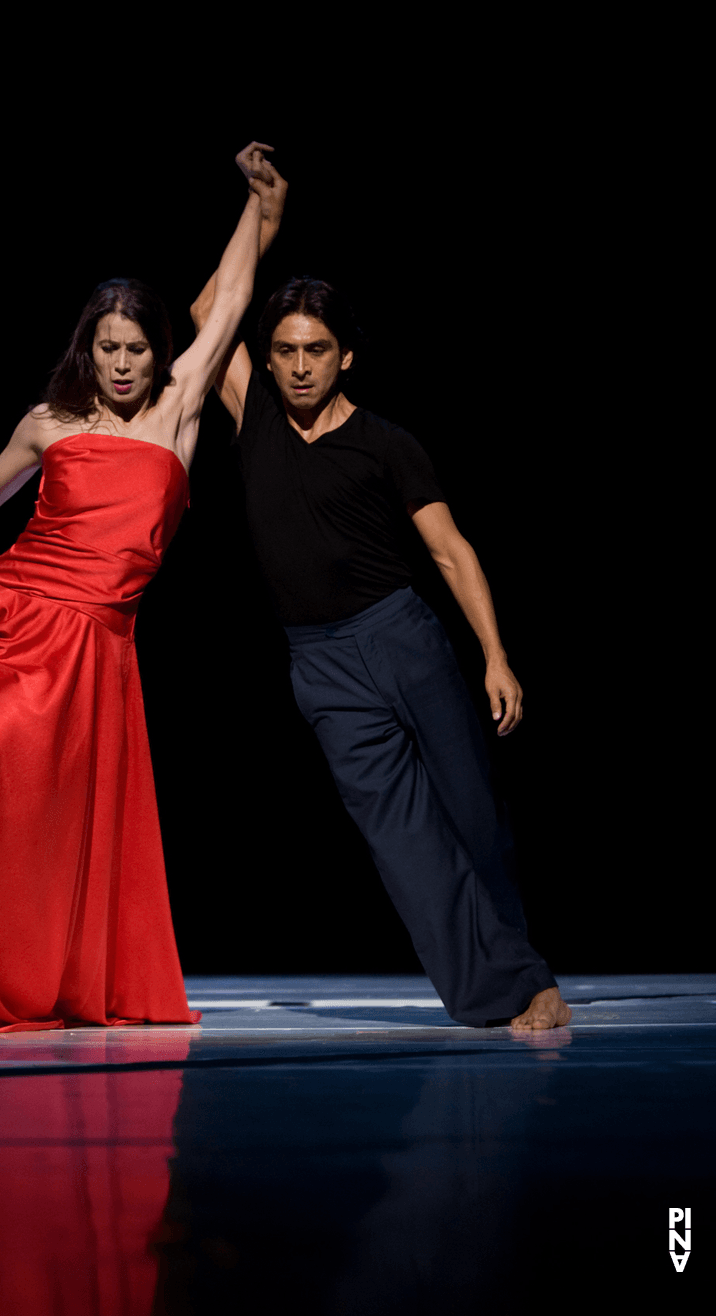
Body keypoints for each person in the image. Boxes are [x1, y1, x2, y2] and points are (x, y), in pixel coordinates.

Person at [0, 142, 277, 1036]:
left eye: (139, 349)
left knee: (2, 823)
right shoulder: (51, 422)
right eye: (109, 348)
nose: (123, 364)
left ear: (161, 355)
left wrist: (261, 205)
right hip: (2, 627)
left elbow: (230, 303)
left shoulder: (175, 418)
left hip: (89, 657)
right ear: (91, 347)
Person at [189, 163, 571, 1031]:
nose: (294, 366)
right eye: (282, 349)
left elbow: (450, 549)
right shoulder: (251, 415)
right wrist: (265, 215)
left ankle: (527, 975)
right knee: (405, 849)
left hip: (402, 638)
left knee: (474, 819)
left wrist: (496, 656)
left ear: (346, 354)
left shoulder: (387, 444)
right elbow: (212, 312)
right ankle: (497, 995)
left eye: (313, 350)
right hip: (320, 665)